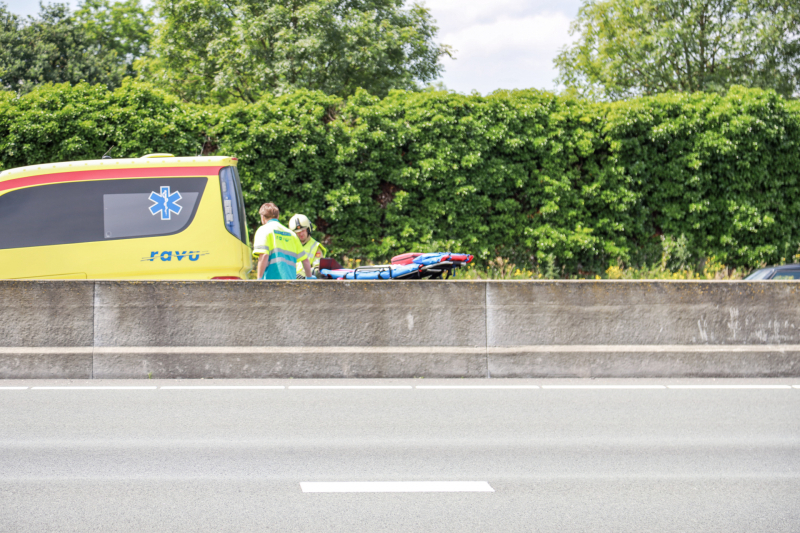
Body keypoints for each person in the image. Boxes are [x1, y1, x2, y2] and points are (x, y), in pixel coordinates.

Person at [252, 203, 312, 280]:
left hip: (271, 284)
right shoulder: (292, 234)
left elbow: (264, 256)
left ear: (262, 218)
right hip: (291, 285)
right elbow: (305, 260)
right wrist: (309, 278)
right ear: (278, 216)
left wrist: (259, 279)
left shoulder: (263, 230)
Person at [289, 213, 327, 279]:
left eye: (303, 230)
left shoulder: (316, 246)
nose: (301, 234)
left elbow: (318, 269)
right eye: (297, 232)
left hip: (307, 284)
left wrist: (304, 273)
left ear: (308, 229)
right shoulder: (289, 245)